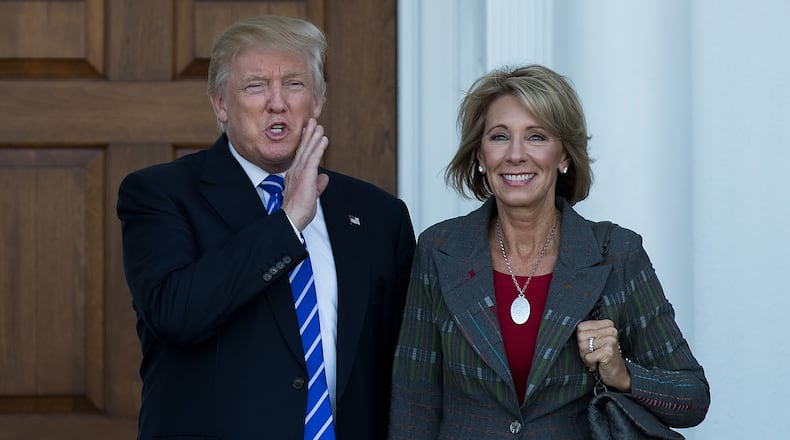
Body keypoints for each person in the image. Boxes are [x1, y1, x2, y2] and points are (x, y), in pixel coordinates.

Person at [117, 15, 415, 440]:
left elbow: (401, 363)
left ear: (317, 102)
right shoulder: (159, 195)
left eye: (294, 84)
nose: (277, 103)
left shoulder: (378, 214)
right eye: (255, 86)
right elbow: (176, 315)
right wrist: (288, 222)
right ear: (220, 104)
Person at [388, 65, 709, 439]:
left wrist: (622, 374)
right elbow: (414, 404)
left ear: (564, 156)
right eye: (499, 137)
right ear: (480, 155)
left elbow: (693, 397)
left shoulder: (616, 253)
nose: (516, 155)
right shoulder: (439, 250)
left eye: (536, 136)